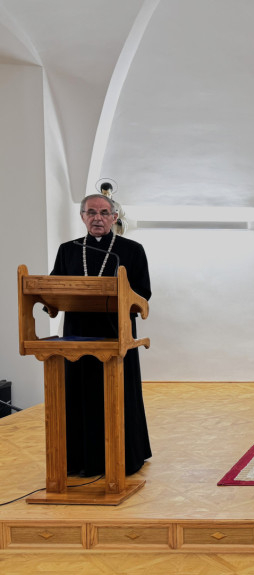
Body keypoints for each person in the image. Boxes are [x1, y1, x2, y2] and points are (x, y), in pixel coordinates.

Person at [50, 193, 152, 476]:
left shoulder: (131, 250)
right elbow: (54, 285)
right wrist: (49, 302)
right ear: (82, 216)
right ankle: (80, 460)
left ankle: (124, 457)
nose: (98, 218)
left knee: (117, 395)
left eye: (104, 213)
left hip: (116, 333)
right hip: (78, 336)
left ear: (114, 218)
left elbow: (143, 292)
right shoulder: (68, 250)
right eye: (91, 212)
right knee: (79, 395)